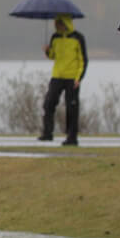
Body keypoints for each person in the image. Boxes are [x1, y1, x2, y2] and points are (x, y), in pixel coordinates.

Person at [38, 14, 86, 145]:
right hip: (57, 76)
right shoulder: (55, 37)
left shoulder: (78, 38)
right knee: (48, 104)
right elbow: (53, 56)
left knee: (72, 108)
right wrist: (48, 51)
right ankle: (47, 133)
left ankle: (72, 138)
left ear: (66, 23)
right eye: (56, 23)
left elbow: (83, 60)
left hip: (72, 78)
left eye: (59, 23)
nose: (56, 25)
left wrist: (79, 78)